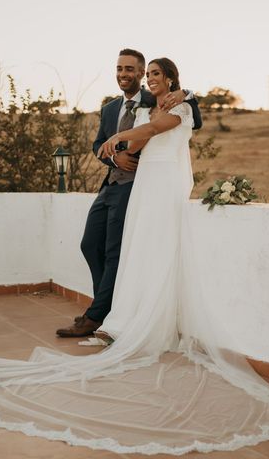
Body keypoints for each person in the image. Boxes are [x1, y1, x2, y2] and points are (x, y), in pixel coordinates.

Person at [0, 57, 269, 455]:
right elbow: (128, 139)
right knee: (108, 246)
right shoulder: (123, 107)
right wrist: (113, 150)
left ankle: (106, 316)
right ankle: (119, 313)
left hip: (157, 184)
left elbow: (168, 125)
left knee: (133, 250)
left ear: (166, 78)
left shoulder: (178, 106)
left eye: (151, 73)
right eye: (139, 72)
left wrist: (140, 125)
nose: (143, 77)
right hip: (127, 181)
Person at [56, 48, 202, 338]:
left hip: (140, 185)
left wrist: (188, 93)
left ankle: (97, 315)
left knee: (116, 252)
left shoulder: (160, 100)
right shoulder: (110, 108)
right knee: (90, 244)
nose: (125, 74)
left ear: (140, 73)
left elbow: (190, 119)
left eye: (133, 70)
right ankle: (107, 304)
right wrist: (114, 157)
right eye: (119, 68)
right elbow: (100, 145)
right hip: (112, 183)